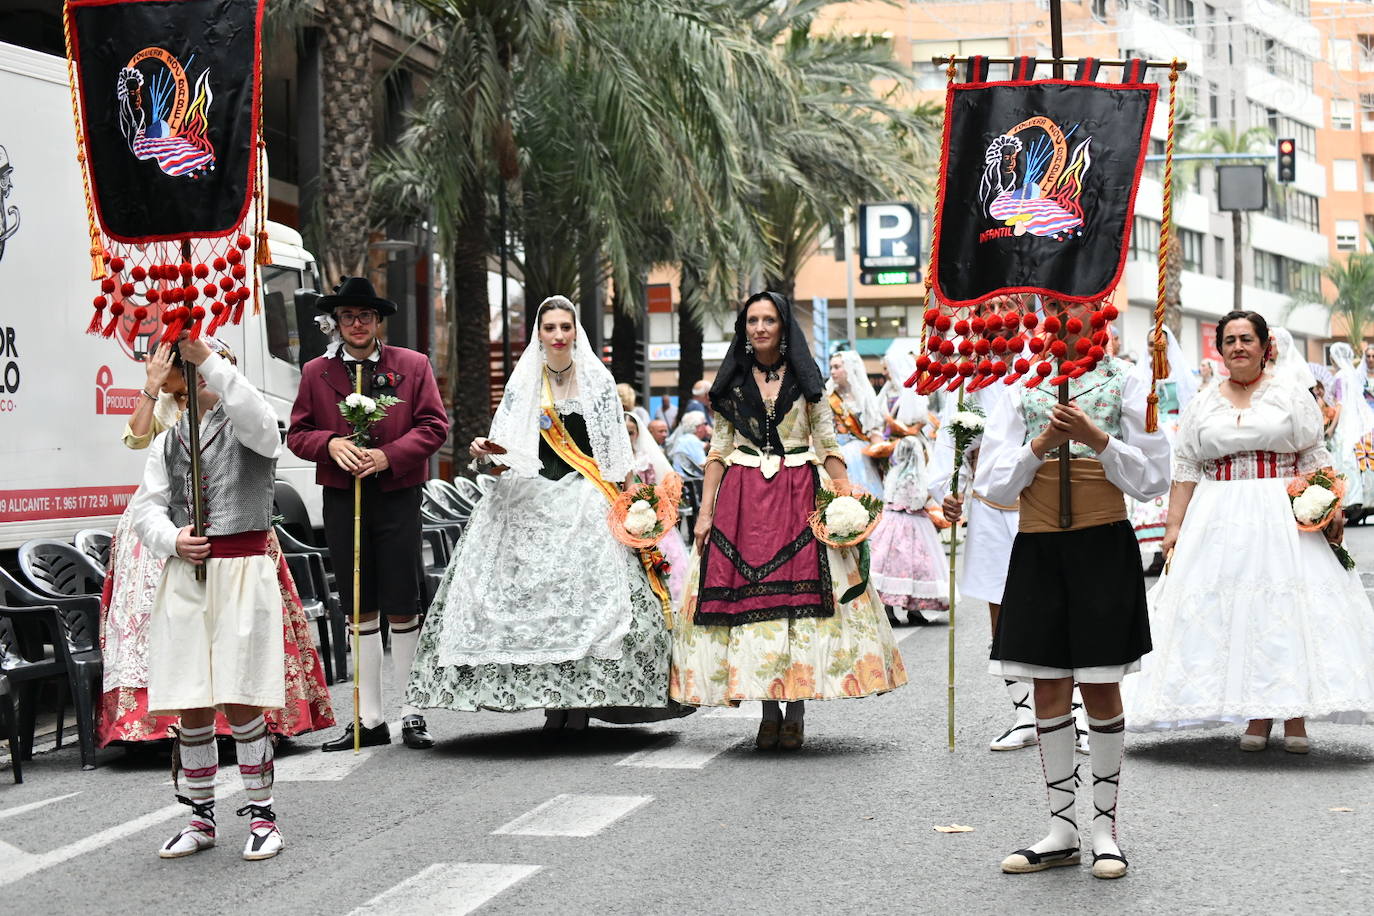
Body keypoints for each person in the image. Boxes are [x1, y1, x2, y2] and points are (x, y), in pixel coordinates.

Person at [406, 296, 683, 729]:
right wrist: (484, 451)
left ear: (576, 332)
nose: (557, 335)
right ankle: (554, 702)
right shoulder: (524, 383)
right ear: (538, 333)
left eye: (565, 327)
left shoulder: (598, 381)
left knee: (591, 604)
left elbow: (616, 455)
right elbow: (503, 455)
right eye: (549, 327)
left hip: (587, 498)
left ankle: (580, 704)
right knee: (520, 602)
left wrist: (635, 509)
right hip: (529, 496)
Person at [1123, 311, 1374, 752]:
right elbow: (1186, 470)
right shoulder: (1203, 402)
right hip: (1218, 515)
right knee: (1235, 614)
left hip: (1282, 515)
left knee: (1287, 610)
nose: (1239, 347)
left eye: (1247, 339)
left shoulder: (1291, 396)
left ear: (1263, 347)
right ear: (1219, 350)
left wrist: (1329, 507)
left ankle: (1295, 716)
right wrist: (1174, 529)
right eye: (1230, 340)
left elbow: (1314, 456)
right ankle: (1256, 716)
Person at [978, 309, 1170, 879]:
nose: (1068, 319)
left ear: (1101, 312)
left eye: (1080, 306)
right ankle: (1062, 828)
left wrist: (1097, 439)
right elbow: (992, 483)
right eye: (1058, 309)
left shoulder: (1131, 381)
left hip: (1102, 546)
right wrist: (1039, 444)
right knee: (1048, 685)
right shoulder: (1020, 388)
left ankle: (1105, 830)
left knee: (1102, 684)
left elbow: (1154, 477)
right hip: (1038, 549)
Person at [670, 291, 907, 750]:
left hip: (800, 495)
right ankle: (767, 710)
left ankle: (795, 709)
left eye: (769, 320)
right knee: (750, 605)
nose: (760, 327)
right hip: (742, 500)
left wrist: (846, 498)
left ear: (783, 327)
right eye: (752, 320)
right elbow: (718, 449)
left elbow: (826, 441)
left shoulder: (806, 377)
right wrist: (704, 513)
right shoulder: (732, 383)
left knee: (803, 604)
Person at [99, 342, 334, 746]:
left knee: (242, 654)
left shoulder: (244, 415)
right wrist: (171, 538)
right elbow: (139, 456)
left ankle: (255, 757)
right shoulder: (168, 429)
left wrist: (208, 360)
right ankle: (180, 756)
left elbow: (251, 414)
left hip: (238, 544)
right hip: (174, 541)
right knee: (179, 658)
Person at [129, 334, 289, 861]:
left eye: (188, 365)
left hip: (241, 571)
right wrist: (172, 539)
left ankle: (263, 815)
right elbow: (147, 507)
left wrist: (211, 362)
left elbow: (259, 420)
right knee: (191, 700)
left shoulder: (250, 423)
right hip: (186, 572)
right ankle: (200, 818)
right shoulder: (168, 440)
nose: (185, 374)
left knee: (241, 693)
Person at [287, 277, 450, 751]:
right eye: (346, 318)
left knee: (403, 603)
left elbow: (434, 425)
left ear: (379, 321)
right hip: (342, 499)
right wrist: (330, 443)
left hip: (397, 495)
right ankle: (367, 719)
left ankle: (413, 711)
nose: (356, 325)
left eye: (364, 317)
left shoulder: (412, 365)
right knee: (358, 606)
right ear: (335, 324)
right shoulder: (316, 371)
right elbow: (297, 434)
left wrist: (389, 456)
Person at [869, 435, 950, 625]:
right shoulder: (916, 475)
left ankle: (889, 610)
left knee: (891, 566)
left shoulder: (894, 472)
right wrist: (930, 494)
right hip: (912, 522)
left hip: (890, 521)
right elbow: (916, 501)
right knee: (915, 566)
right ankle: (914, 609)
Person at [625, 411, 690, 606]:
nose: (628, 438)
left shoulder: (644, 459)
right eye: (624, 433)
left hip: (645, 511)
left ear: (637, 434)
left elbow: (653, 486)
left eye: (631, 433)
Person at [825, 350, 885, 494]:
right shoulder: (828, 396)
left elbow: (873, 428)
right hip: (833, 452)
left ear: (849, 368)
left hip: (859, 453)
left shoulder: (864, 397)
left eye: (837, 367)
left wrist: (882, 453)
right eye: (831, 367)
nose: (833, 371)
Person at [1328, 341, 1374, 510]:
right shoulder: (1353, 374)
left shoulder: (1340, 376)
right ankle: (1360, 496)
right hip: (1358, 422)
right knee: (1354, 458)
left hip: (1345, 423)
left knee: (1344, 458)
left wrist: (1332, 426)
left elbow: (1340, 403)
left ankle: (1349, 497)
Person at [669, 410, 710, 478]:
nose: (707, 426)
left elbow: (705, 446)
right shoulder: (692, 440)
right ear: (698, 427)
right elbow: (704, 465)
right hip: (690, 482)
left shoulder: (685, 439)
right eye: (705, 424)